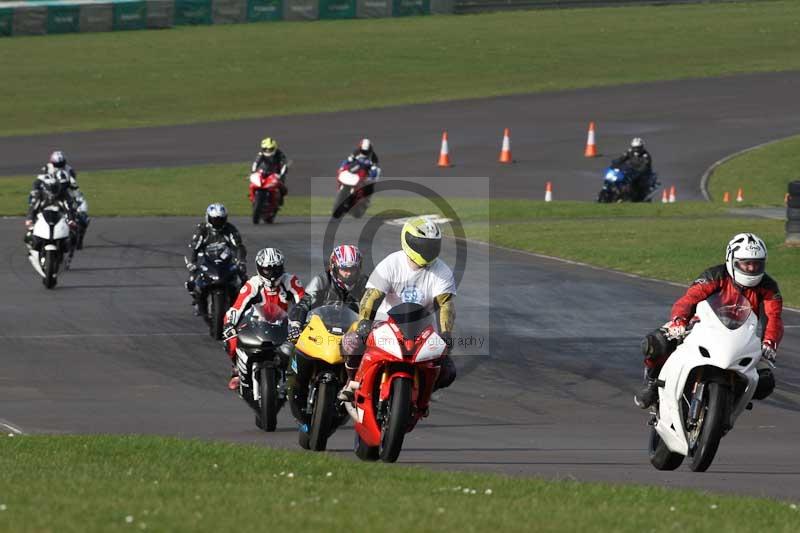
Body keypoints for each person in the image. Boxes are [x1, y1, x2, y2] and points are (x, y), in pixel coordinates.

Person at [634, 233, 783, 409]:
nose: (751, 268)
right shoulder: (715, 275)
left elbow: (774, 317)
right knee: (656, 343)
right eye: (746, 263)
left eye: (757, 264)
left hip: (742, 338)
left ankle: (729, 403)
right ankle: (652, 383)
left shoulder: (768, 286)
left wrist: (769, 343)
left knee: (766, 381)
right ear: (732, 260)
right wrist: (679, 321)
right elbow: (689, 299)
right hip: (704, 327)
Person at [339, 216, 457, 401]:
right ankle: (352, 382)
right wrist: (364, 323)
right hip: (384, 324)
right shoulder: (391, 263)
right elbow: (372, 296)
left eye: (432, 245)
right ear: (408, 240)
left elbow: (445, 305)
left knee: (448, 370)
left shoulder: (442, 271)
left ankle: (421, 393)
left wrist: (446, 333)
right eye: (422, 244)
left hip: (422, 330)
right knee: (352, 342)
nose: (428, 250)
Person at [286, 245, 368, 418]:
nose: (348, 274)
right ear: (334, 267)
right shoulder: (322, 280)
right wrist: (295, 324)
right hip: (322, 331)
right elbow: (304, 303)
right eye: (344, 269)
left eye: (352, 269)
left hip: (351, 336)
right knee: (291, 349)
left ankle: (354, 395)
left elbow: (377, 310)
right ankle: (296, 385)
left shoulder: (366, 285)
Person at [222, 247, 304, 390]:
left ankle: (300, 376)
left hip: (284, 324)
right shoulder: (252, 284)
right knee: (232, 339)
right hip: (256, 324)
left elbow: (303, 301)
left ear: (282, 267)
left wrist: (303, 321)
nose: (272, 274)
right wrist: (229, 324)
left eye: (276, 269)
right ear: (259, 268)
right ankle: (236, 370)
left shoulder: (290, 281)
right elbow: (237, 307)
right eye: (267, 270)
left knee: (305, 342)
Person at [185, 203, 247, 315]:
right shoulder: (202, 230)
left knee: (243, 278)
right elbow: (194, 248)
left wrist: (240, 260)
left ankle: (243, 304)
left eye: (220, 220)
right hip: (206, 262)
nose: (217, 223)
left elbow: (239, 246)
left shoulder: (230, 229)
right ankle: (197, 301)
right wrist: (192, 263)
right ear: (208, 218)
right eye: (214, 220)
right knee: (191, 281)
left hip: (226, 263)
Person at [25, 172, 76, 245]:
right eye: (51, 187)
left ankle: (67, 251)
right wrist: (30, 219)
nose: (53, 190)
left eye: (55, 187)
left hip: (59, 220)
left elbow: (69, 208)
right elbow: (33, 208)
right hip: (42, 220)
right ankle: (32, 251)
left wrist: (71, 220)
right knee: (30, 234)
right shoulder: (39, 195)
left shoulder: (64, 195)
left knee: (72, 235)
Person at [251, 137, 288, 205]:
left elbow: (284, 164)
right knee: (253, 183)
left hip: (276, 173)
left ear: (274, 147)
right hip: (263, 171)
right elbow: (256, 162)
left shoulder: (279, 154)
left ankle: (280, 198)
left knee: (282, 187)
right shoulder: (261, 154)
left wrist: (282, 174)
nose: (268, 151)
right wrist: (253, 171)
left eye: (270, 149)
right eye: (266, 149)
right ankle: (253, 197)